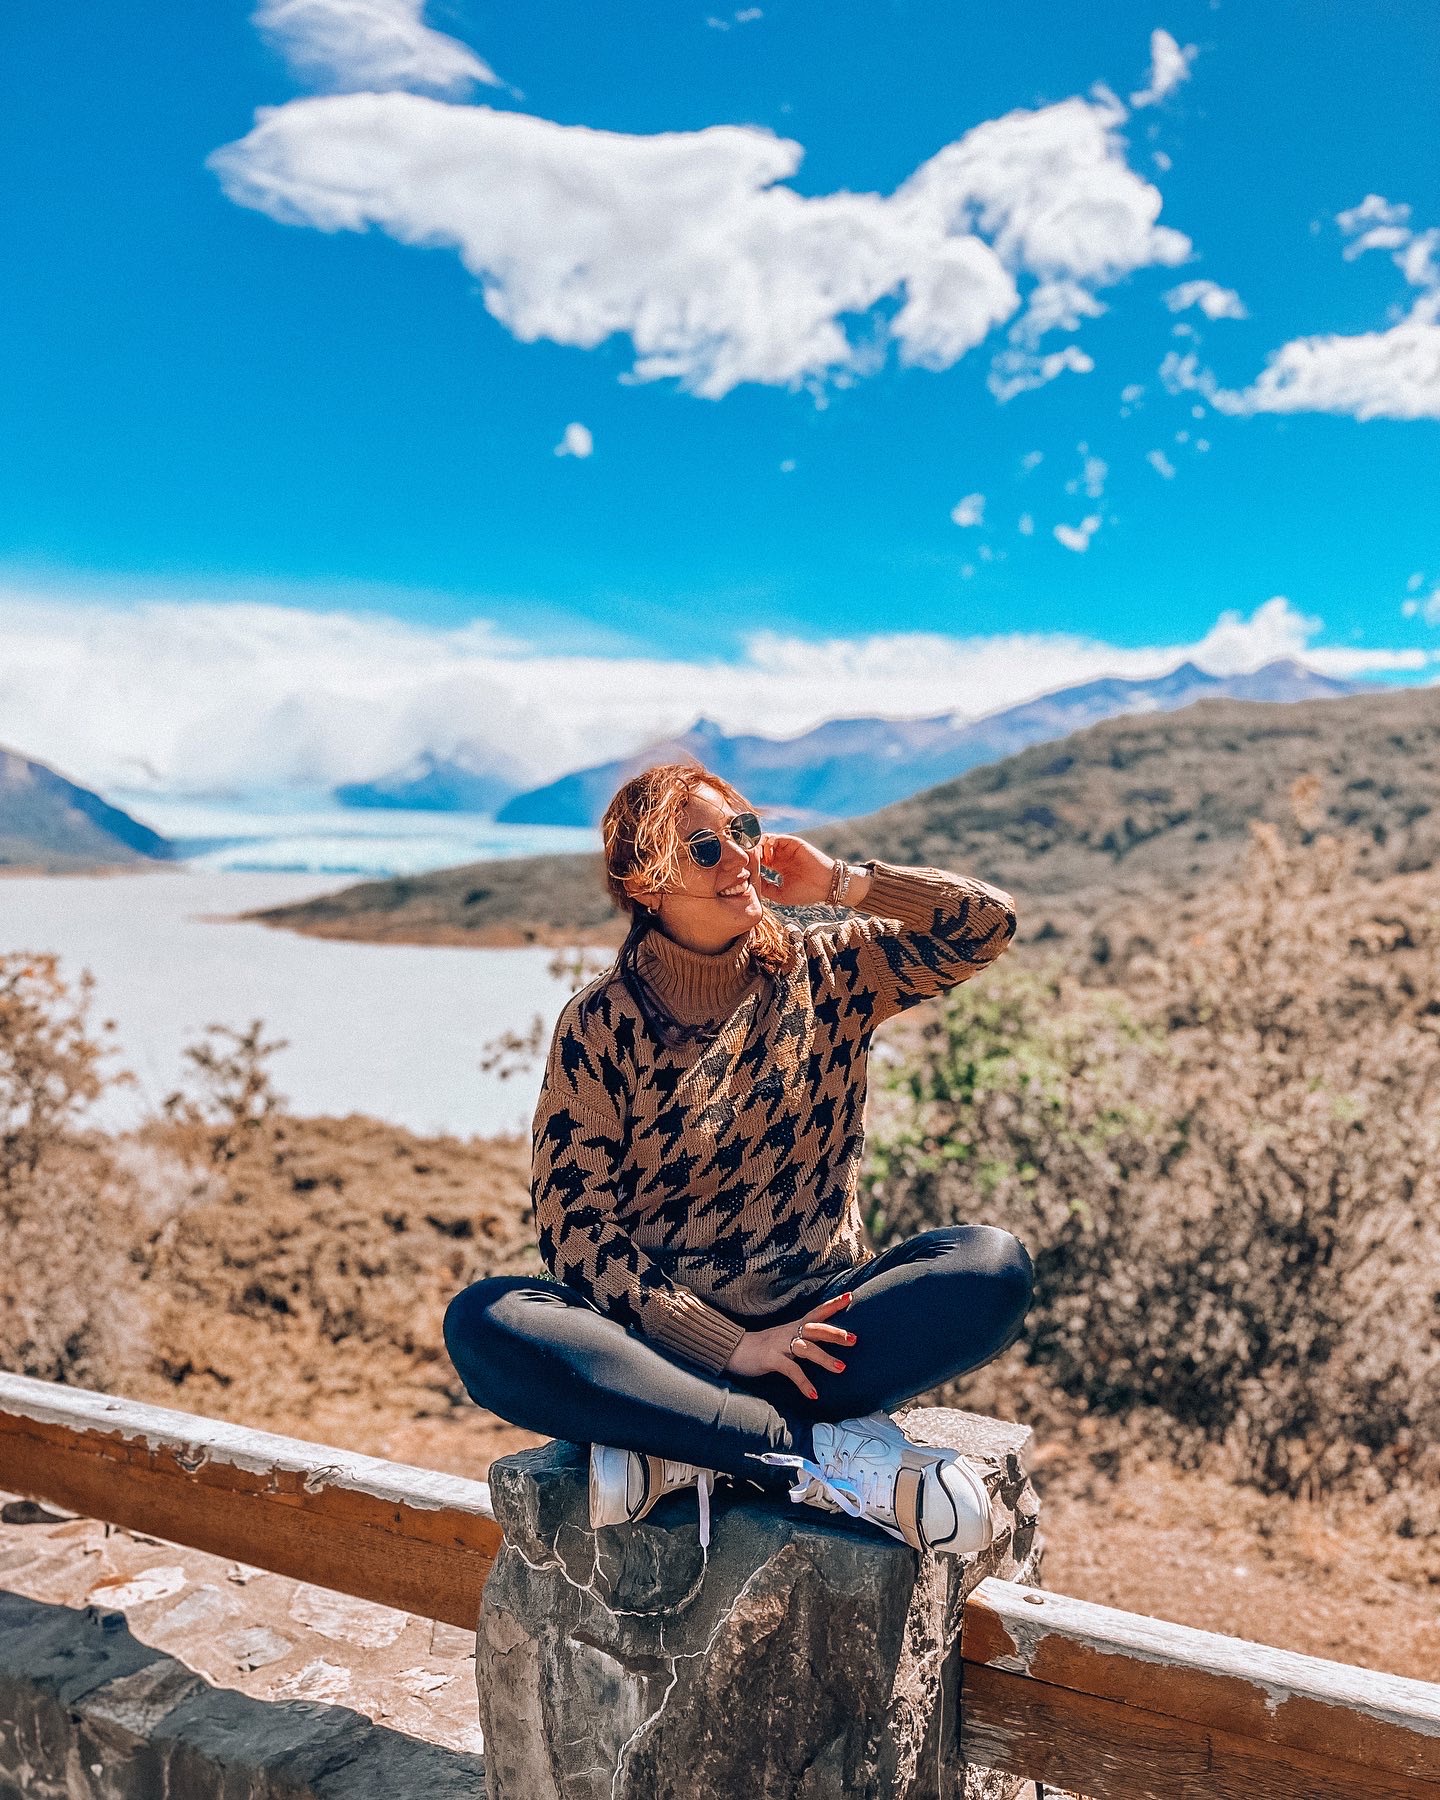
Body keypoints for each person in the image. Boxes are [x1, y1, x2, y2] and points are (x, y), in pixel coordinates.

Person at [445, 762, 1032, 1557]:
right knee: (487, 1321)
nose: (740, 857)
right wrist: (732, 1347)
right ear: (644, 883)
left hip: (822, 1332)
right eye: (703, 848)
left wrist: (846, 882)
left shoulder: (829, 971)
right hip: (662, 1349)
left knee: (991, 1264)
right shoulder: (600, 1024)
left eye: (743, 831)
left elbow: (985, 926)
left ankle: (686, 1448)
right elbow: (575, 1231)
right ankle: (813, 1457)